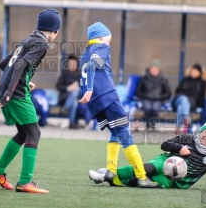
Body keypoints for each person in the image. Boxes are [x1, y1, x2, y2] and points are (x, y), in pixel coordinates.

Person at [0, 9, 61, 194]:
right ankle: (25, 182)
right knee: (34, 133)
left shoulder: (28, 40)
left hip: (8, 88)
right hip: (15, 92)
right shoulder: (41, 43)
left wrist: (24, 81)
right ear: (54, 31)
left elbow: (5, 64)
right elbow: (18, 65)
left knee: (23, 134)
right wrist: (12, 91)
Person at [78, 22, 158, 188]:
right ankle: (142, 177)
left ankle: (111, 173)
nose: (109, 42)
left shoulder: (84, 53)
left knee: (115, 133)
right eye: (109, 38)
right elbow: (94, 65)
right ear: (100, 37)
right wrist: (90, 90)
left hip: (96, 103)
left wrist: (88, 93)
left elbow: (85, 74)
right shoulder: (101, 47)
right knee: (125, 134)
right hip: (108, 97)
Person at [88, 119, 206, 193]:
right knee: (146, 169)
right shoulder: (188, 138)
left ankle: (112, 177)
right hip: (165, 161)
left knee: (144, 184)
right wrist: (180, 148)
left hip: (176, 182)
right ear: (202, 131)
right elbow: (164, 145)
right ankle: (107, 175)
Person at [172, 64, 206, 134]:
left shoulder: (202, 82)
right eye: (193, 71)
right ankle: (187, 119)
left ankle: (177, 127)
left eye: (196, 71)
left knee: (181, 107)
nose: (194, 72)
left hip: (192, 102)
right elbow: (177, 91)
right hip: (179, 98)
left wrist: (198, 105)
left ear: (200, 73)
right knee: (184, 99)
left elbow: (202, 96)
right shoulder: (185, 79)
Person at [135, 59, 171, 129]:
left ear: (159, 70)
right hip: (145, 99)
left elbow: (168, 93)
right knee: (147, 107)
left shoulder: (163, 80)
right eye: (152, 68)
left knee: (155, 108)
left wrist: (160, 97)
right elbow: (138, 91)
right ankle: (148, 123)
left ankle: (153, 122)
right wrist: (145, 96)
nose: (154, 70)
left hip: (158, 100)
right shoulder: (144, 79)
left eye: (156, 68)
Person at [56, 54, 81, 129]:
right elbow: (58, 85)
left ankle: (65, 108)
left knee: (76, 90)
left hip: (79, 98)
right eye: (70, 63)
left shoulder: (80, 74)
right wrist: (68, 88)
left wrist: (76, 87)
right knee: (74, 103)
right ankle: (72, 122)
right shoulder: (64, 73)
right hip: (65, 97)